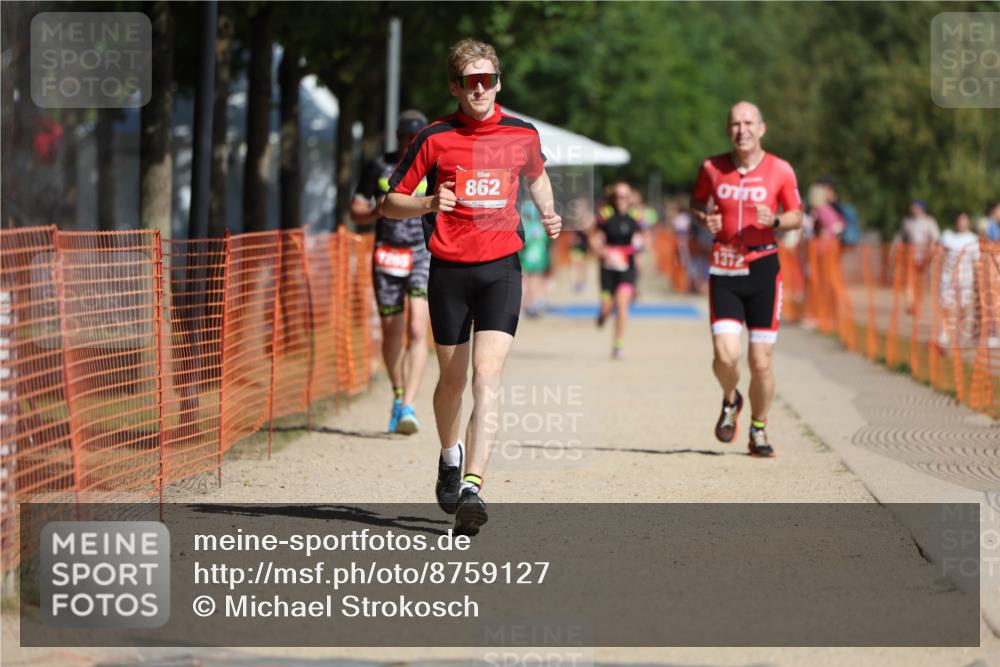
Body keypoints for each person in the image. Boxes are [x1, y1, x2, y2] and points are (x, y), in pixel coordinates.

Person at [382, 39, 561, 536]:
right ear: (455, 87)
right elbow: (389, 203)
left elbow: (537, 176)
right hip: (449, 272)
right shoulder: (434, 137)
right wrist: (426, 205)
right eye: (469, 81)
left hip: (501, 267)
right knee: (453, 382)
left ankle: (472, 489)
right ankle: (448, 455)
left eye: (487, 79)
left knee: (487, 377)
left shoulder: (521, 133)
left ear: (498, 82)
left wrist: (546, 210)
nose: (479, 88)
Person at [690, 101, 803, 458]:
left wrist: (775, 221)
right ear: (728, 130)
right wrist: (703, 219)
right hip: (724, 268)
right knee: (725, 356)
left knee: (761, 361)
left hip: (763, 269)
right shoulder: (712, 167)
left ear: (761, 128)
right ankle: (731, 399)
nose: (743, 129)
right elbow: (696, 203)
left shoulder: (780, 170)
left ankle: (759, 428)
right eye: (736, 123)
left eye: (749, 123)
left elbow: (797, 215)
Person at [351, 111, 432, 435]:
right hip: (387, 253)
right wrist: (377, 210)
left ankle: (409, 406)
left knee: (416, 328)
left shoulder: (433, 164)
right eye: (403, 137)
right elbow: (355, 211)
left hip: (422, 253)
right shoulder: (378, 166)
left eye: (414, 138)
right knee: (391, 332)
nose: (408, 143)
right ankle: (398, 394)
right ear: (397, 136)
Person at [591, 181, 643, 359]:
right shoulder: (605, 215)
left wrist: (639, 250)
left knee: (622, 305)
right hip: (608, 268)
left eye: (625, 196)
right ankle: (602, 317)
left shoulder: (635, 216)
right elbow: (594, 238)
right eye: (618, 196)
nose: (621, 200)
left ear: (630, 198)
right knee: (606, 308)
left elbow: (645, 237)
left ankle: (617, 345)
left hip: (627, 267)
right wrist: (602, 250)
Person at [938, 212, 980, 347]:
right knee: (946, 305)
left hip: (965, 278)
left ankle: (962, 336)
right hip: (948, 277)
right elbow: (940, 255)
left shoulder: (973, 239)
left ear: (968, 222)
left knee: (964, 307)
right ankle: (945, 333)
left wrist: (977, 279)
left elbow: (976, 261)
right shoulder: (947, 236)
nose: (961, 223)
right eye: (959, 220)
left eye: (964, 220)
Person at [518, 196, 551, 317]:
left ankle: (529, 305)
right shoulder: (540, 226)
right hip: (537, 257)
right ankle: (533, 304)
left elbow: (523, 243)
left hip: (531, 257)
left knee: (529, 281)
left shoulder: (527, 226)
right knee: (534, 280)